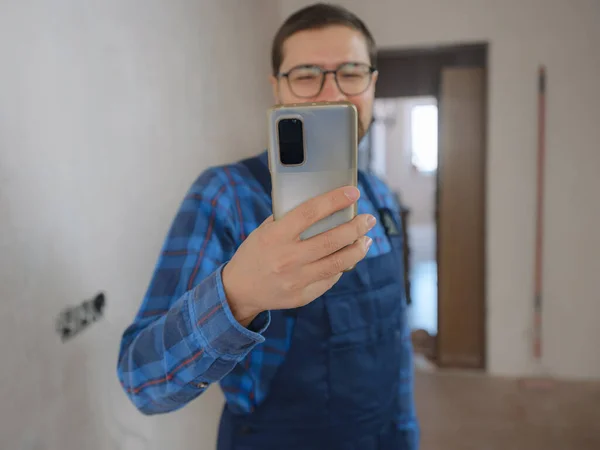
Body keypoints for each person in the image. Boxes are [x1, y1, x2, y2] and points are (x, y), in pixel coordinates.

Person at [117, 3, 419, 449]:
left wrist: (407, 435)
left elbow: (398, 351)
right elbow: (142, 383)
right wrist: (237, 296)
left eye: (351, 73)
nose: (330, 93)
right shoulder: (224, 195)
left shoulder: (381, 198)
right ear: (276, 88)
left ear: (373, 84)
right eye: (305, 75)